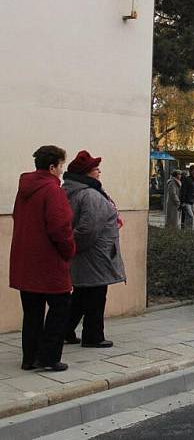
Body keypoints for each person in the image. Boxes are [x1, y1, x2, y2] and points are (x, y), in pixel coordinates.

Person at [10, 146, 76, 372]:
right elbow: (60, 227)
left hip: (25, 261)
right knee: (61, 307)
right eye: (60, 166)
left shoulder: (24, 189)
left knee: (32, 312)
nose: (61, 171)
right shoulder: (52, 190)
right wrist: (69, 251)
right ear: (52, 167)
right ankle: (48, 357)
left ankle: (29, 358)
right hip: (49, 262)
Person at [61, 150, 126, 349]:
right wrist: (74, 247)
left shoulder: (71, 190)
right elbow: (88, 229)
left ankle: (65, 330)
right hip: (96, 254)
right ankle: (93, 335)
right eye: (96, 169)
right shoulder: (90, 194)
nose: (99, 172)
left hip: (87, 254)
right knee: (96, 297)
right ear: (86, 173)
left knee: (80, 295)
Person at [180, 166, 194, 230]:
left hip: (192, 202)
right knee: (191, 216)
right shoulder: (187, 179)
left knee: (188, 217)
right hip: (187, 201)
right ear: (190, 171)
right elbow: (183, 191)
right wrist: (183, 202)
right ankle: (189, 230)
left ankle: (186, 230)